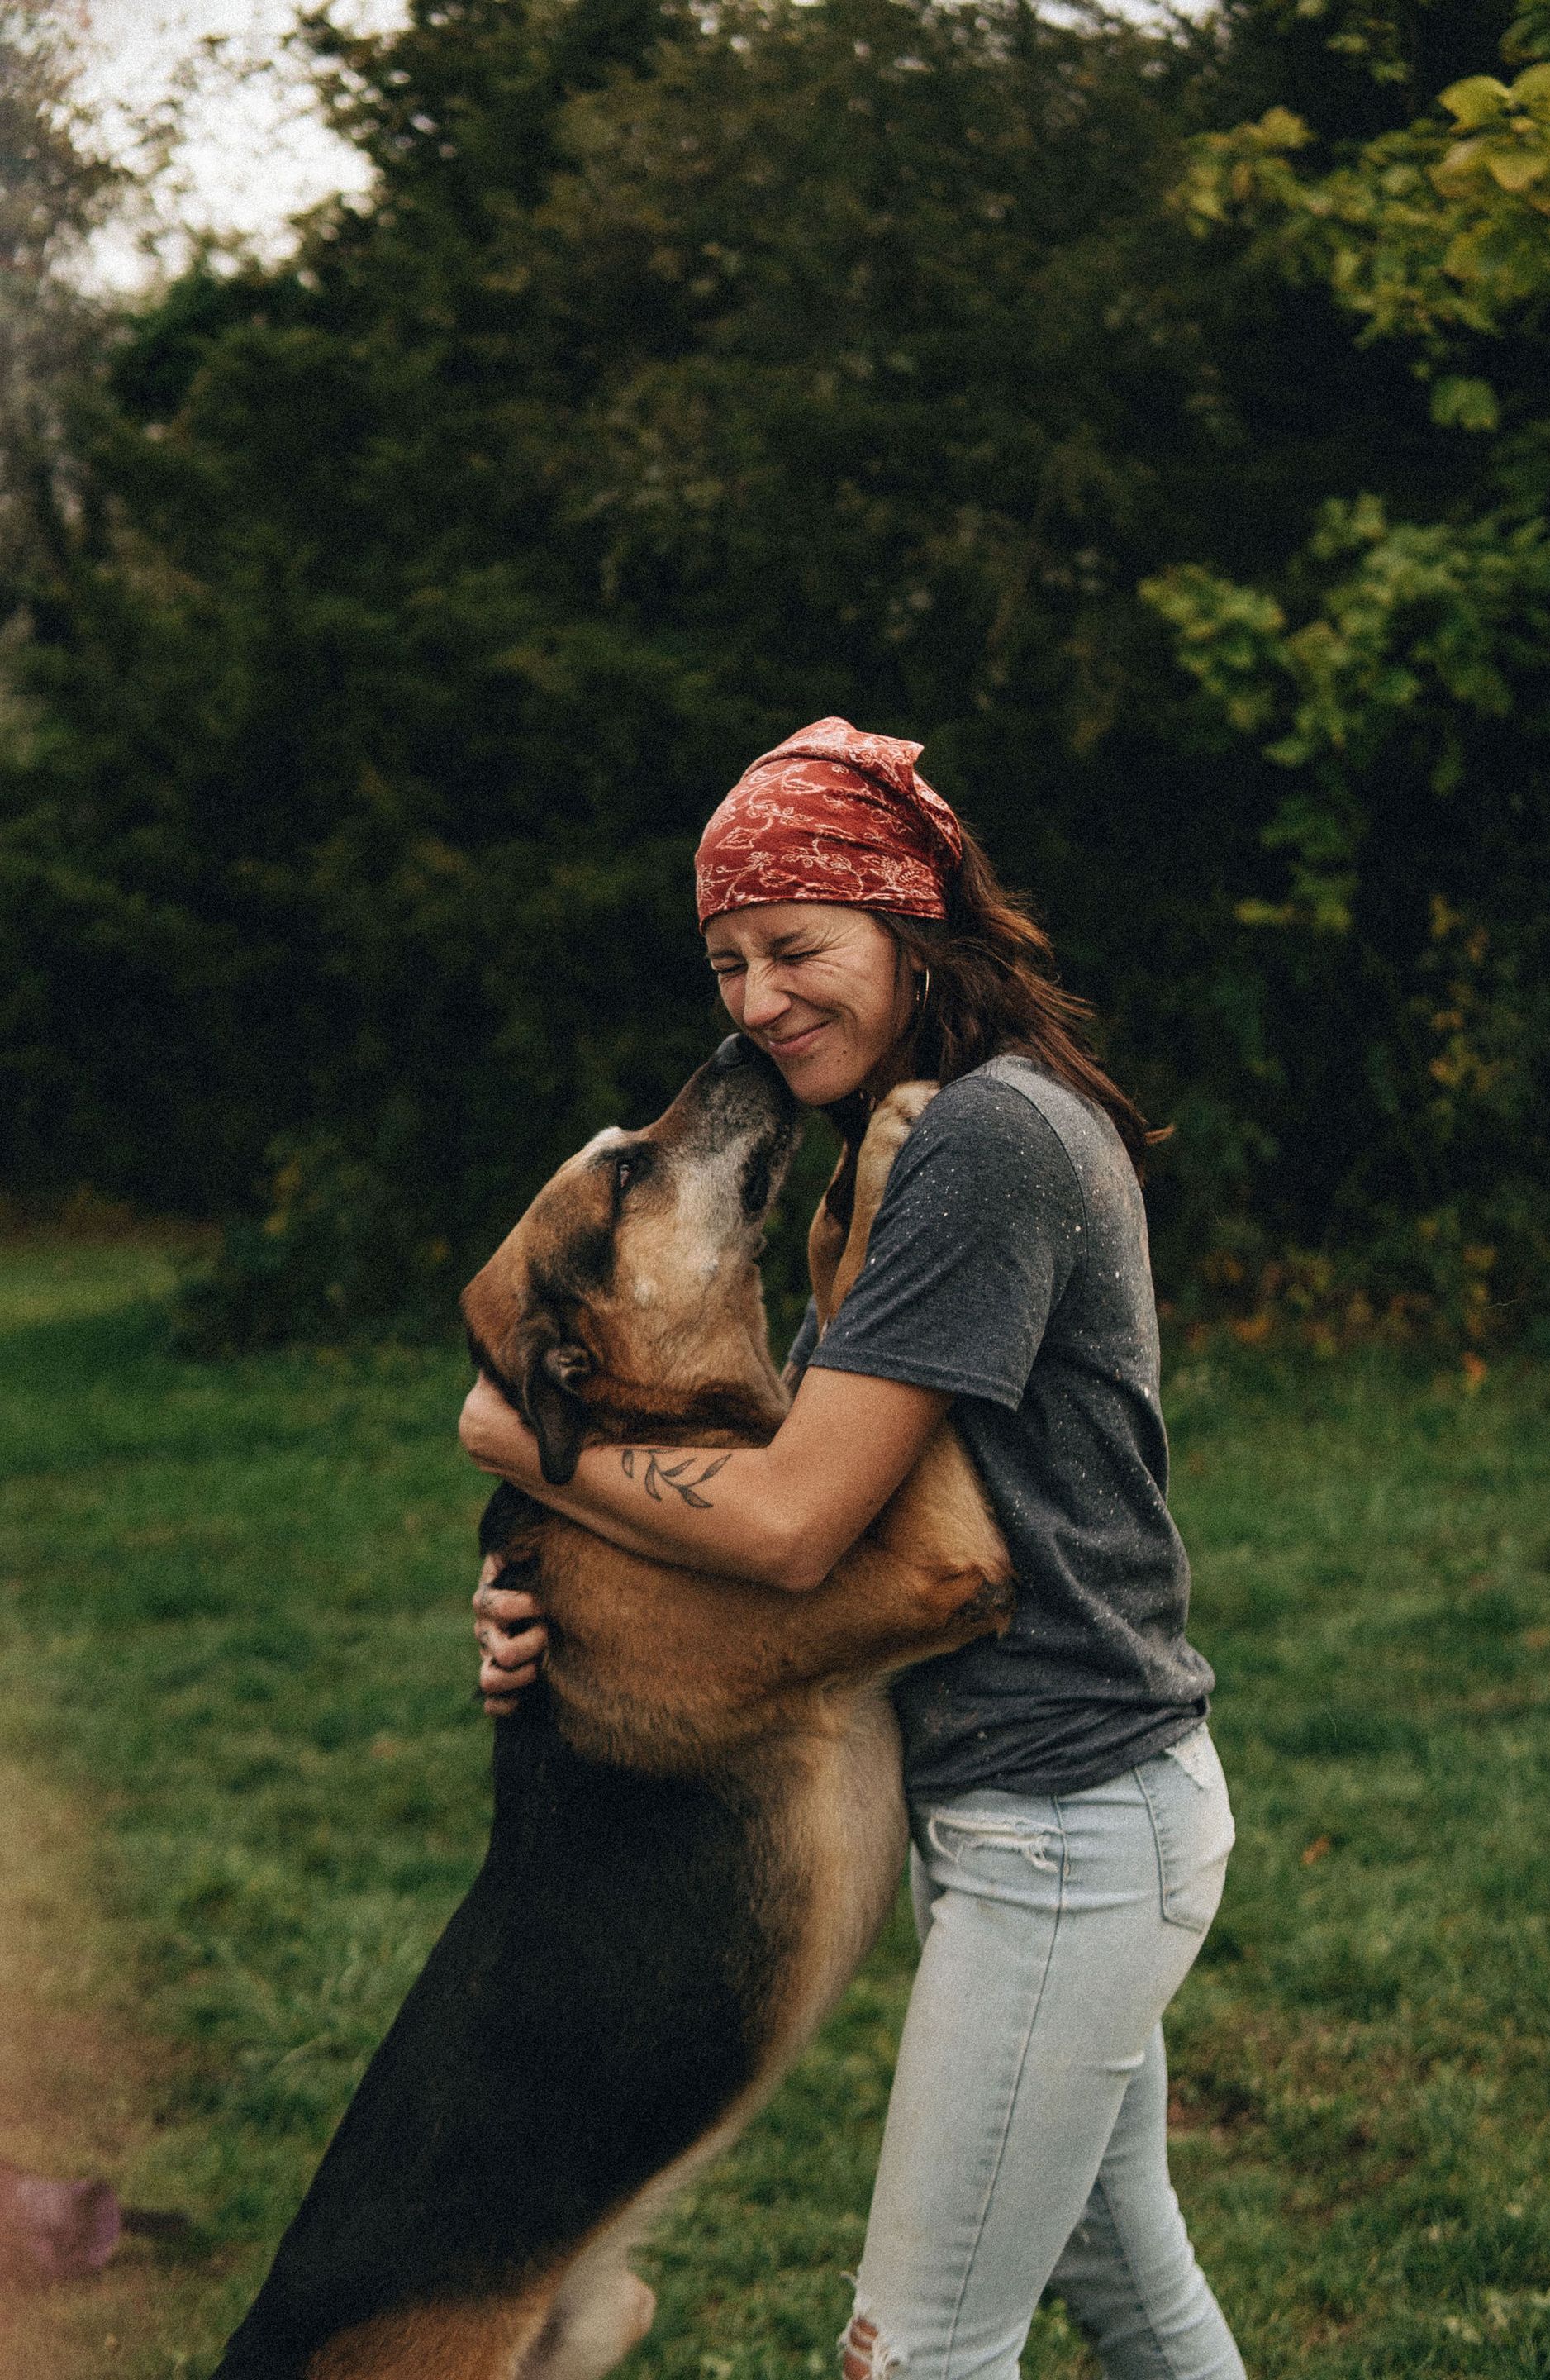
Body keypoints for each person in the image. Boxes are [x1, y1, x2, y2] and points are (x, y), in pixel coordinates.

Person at [461, 718, 1245, 2380]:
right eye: (728, 960)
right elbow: (796, 1483)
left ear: (910, 925)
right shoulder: (926, 1136)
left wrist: (522, 1435)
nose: (754, 1002)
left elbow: (807, 1525)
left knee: (920, 2352)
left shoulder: (977, 1143)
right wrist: (556, 1608)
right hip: (1052, 1809)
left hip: (1068, 1820)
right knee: (1132, 2298)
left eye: (796, 947)